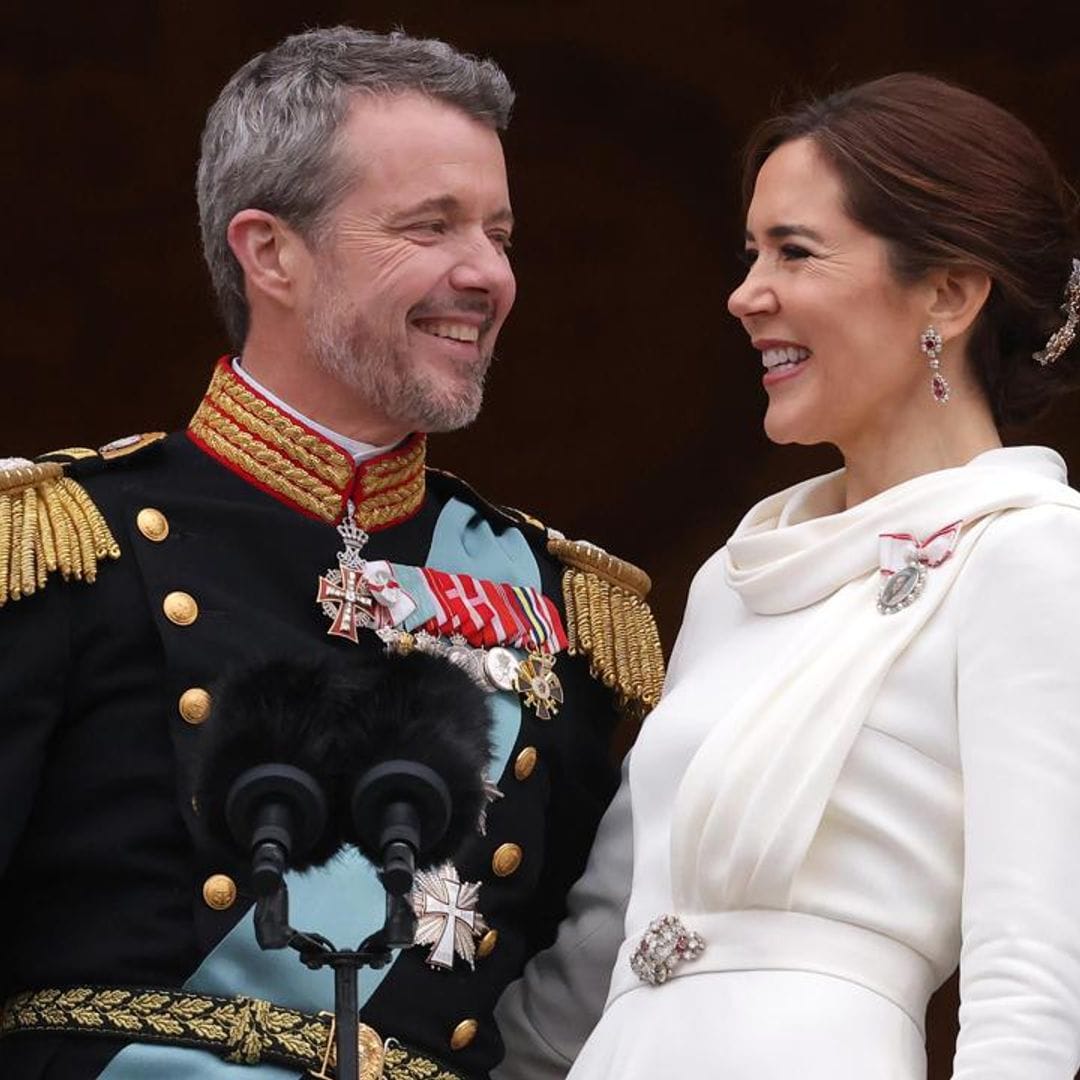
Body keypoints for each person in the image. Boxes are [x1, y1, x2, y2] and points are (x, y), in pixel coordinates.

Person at [0, 26, 665, 1080]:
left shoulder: (559, 602)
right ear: (270, 251)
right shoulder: (66, 547)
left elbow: (578, 986)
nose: (487, 275)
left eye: (499, 233)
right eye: (431, 227)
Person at [493, 73, 1080, 1080]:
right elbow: (604, 938)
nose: (745, 293)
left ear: (949, 291)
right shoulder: (736, 575)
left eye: (795, 253)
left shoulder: (1028, 554)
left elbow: (1032, 976)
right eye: (749, 252)